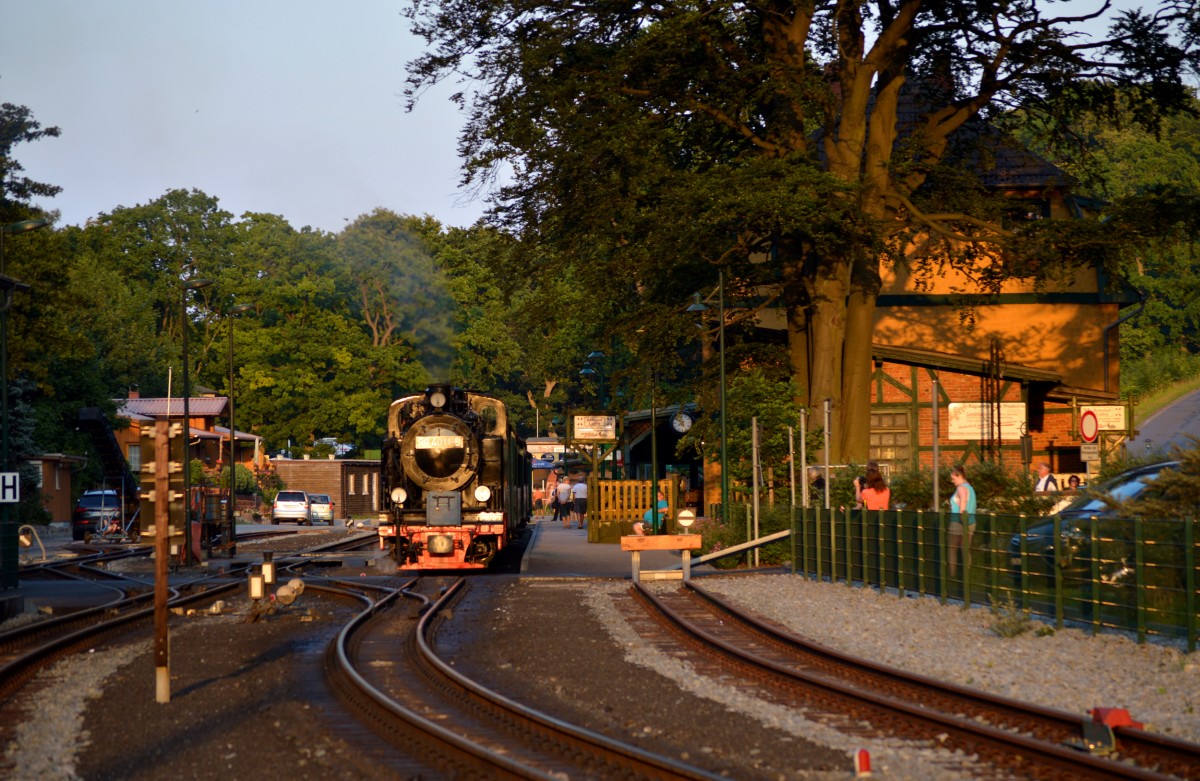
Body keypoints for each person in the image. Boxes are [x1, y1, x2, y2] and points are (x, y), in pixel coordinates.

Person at [948, 464, 976, 577]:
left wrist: (961, 516)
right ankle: (967, 576)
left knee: (952, 549)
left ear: (959, 476)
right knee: (965, 550)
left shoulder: (961, 488)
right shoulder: (971, 488)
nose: (952, 481)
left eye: (953, 478)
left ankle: (952, 576)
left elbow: (963, 501)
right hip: (971, 521)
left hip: (958, 521)